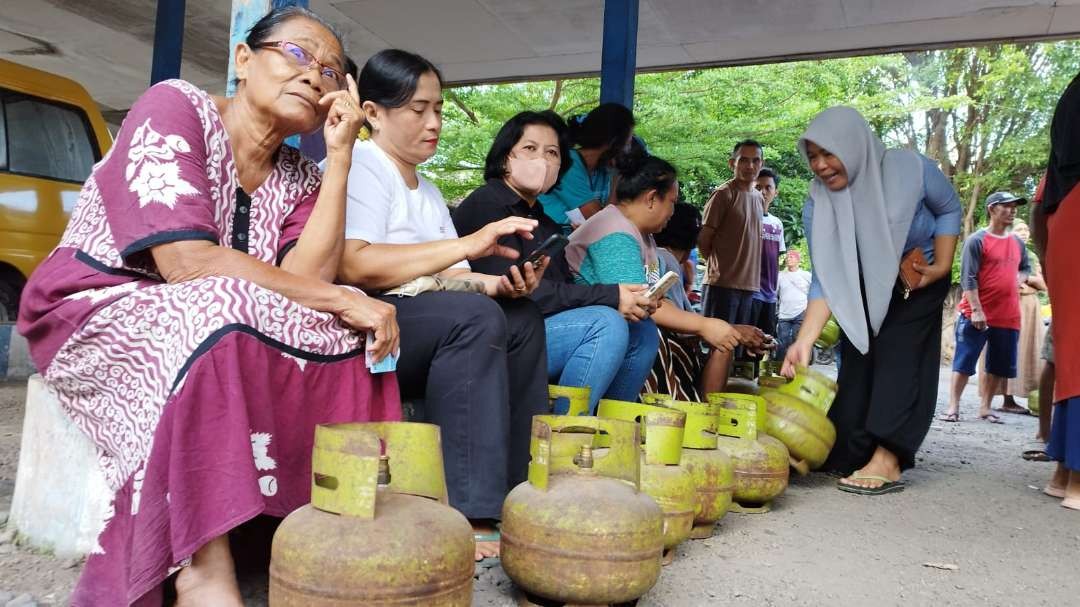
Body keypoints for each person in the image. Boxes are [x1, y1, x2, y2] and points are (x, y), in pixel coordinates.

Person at [14, 8, 401, 604]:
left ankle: (299, 520)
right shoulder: (177, 107)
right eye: (297, 54)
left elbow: (304, 282)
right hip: (95, 301)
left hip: (214, 306)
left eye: (330, 71)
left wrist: (341, 156)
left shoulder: (301, 175)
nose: (313, 77)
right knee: (229, 306)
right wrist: (340, 297)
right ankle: (202, 561)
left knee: (345, 332)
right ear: (244, 60)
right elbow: (186, 263)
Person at [337, 49, 550, 561]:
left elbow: (455, 276)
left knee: (520, 319)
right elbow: (358, 266)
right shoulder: (364, 165)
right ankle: (469, 508)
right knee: (471, 318)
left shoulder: (427, 188)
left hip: (426, 313)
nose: (433, 123)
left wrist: (502, 287)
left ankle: (517, 489)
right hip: (371, 317)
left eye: (439, 109)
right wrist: (468, 245)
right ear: (373, 113)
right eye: (418, 109)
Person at [782, 106, 961, 496]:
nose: (820, 165)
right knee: (859, 363)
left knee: (898, 357)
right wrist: (805, 340)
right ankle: (854, 449)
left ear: (854, 146)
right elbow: (826, 278)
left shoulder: (911, 169)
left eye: (828, 153)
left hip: (916, 277)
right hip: (860, 286)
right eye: (812, 156)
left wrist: (943, 263)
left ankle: (889, 456)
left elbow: (948, 208)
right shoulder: (818, 203)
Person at [453, 110, 659, 414]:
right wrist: (611, 296)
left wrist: (629, 297)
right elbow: (524, 292)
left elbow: (562, 289)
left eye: (552, 153)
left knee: (641, 330)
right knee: (606, 324)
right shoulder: (487, 205)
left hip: (540, 326)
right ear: (504, 157)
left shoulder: (545, 222)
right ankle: (566, 433)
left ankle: (610, 430)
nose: (543, 161)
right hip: (500, 334)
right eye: (530, 148)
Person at [566, 153, 768, 400]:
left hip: (615, 325)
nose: (673, 211)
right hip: (590, 330)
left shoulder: (642, 236)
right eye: (672, 201)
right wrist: (706, 326)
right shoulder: (615, 234)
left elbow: (657, 299)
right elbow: (641, 304)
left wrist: (723, 328)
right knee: (649, 335)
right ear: (651, 198)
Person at [941, 192, 1032, 424]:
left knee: (998, 365)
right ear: (992, 209)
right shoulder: (977, 240)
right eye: (1007, 206)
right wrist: (977, 309)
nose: (1012, 211)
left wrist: (1017, 280)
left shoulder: (1018, 243)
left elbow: (1025, 268)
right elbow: (968, 278)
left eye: (1014, 207)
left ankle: (985, 407)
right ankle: (953, 407)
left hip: (1008, 315)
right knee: (964, 361)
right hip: (976, 313)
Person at [1033, 72, 1080, 511]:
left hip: (1064, 223)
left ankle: (1064, 471)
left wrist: (1047, 261)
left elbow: (1038, 206)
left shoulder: (1071, 95)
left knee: (1070, 353)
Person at [699, 140, 765, 373]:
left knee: (736, 350)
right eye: (743, 160)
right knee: (716, 346)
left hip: (749, 286)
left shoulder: (759, 198)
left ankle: (723, 399)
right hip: (722, 284)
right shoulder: (723, 194)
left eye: (755, 160)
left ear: (761, 163)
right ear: (732, 163)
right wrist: (718, 266)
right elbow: (704, 238)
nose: (750, 165)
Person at [978, 219, 1047, 414]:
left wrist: (1026, 279)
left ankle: (1011, 399)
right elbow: (1002, 280)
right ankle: (997, 399)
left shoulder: (1032, 256)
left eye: (1026, 229)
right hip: (1005, 305)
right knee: (1004, 348)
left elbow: (1043, 285)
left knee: (1023, 351)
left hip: (1029, 308)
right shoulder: (1000, 250)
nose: (1025, 233)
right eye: (1019, 229)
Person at [537, 103, 635, 231]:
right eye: (628, 139)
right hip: (550, 242)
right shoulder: (568, 163)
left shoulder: (604, 170)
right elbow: (600, 220)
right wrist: (617, 180)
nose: (629, 147)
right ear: (613, 140)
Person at [750, 167, 786, 342]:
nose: (763, 192)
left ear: (775, 192)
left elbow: (777, 258)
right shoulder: (745, 218)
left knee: (765, 343)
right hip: (750, 293)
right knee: (746, 344)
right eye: (758, 187)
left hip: (770, 295)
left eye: (768, 187)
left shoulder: (777, 224)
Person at [775, 250, 812, 362]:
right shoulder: (780, 276)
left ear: (798, 260)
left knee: (798, 340)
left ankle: (797, 368)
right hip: (784, 314)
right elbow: (776, 293)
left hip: (801, 312)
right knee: (782, 342)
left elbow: (813, 293)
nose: (789, 259)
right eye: (788, 257)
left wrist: (808, 309)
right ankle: (780, 367)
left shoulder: (806, 275)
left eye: (792, 257)